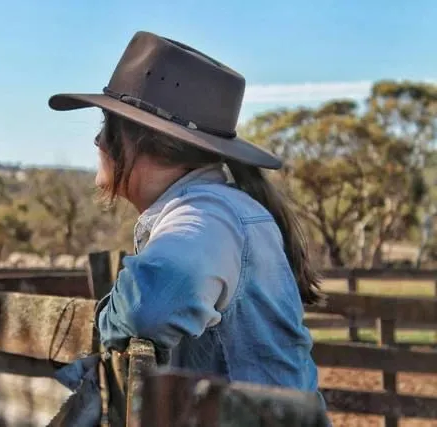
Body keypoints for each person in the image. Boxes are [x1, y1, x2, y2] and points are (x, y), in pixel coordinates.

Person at [49, 31, 327, 414]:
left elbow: (148, 307)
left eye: (109, 125)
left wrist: (100, 324)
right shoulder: (214, 210)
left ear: (146, 139)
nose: (98, 141)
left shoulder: (208, 215)